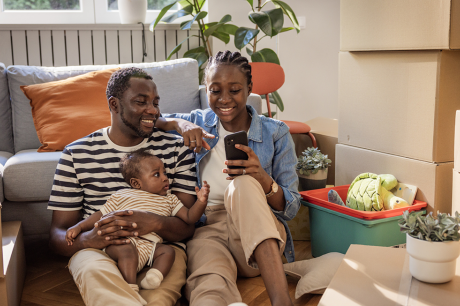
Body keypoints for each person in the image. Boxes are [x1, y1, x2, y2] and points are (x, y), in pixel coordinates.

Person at [156, 50, 301, 306]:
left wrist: (262, 178)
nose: (224, 99)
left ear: (249, 89)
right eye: (215, 90)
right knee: (208, 287)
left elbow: (291, 208)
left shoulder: (275, 133)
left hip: (258, 238)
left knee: (243, 183)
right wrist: (181, 125)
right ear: (206, 89)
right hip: (208, 229)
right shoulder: (197, 121)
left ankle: (282, 302)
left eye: (234, 90)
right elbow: (156, 119)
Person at [48, 67, 198, 306]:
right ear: (115, 104)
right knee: (105, 288)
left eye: (155, 102)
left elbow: (188, 226)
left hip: (161, 251)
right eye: (141, 102)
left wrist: (155, 222)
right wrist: (88, 240)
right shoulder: (76, 154)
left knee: (157, 299)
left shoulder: (176, 148)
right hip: (99, 252)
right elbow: (58, 235)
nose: (153, 110)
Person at [65, 148, 210, 304]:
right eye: (157, 174)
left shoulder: (170, 200)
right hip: (123, 242)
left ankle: (155, 276)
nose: (165, 178)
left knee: (167, 252)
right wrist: (79, 227)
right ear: (136, 183)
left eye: (164, 173)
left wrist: (201, 202)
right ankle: (130, 286)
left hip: (150, 246)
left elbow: (189, 218)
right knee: (127, 251)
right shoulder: (122, 195)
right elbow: (99, 214)